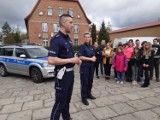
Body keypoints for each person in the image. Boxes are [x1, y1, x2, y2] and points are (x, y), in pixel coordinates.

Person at [48, 14, 81, 120]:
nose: (73, 25)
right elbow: (51, 60)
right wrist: (71, 60)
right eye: (71, 22)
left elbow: (68, 56)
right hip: (62, 75)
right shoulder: (56, 39)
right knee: (60, 103)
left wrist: (75, 60)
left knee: (67, 100)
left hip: (70, 74)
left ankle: (67, 118)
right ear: (63, 23)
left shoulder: (69, 39)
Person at [78, 32, 96, 106]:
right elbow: (80, 57)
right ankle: (84, 98)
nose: (87, 38)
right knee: (84, 82)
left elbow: (93, 55)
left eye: (88, 37)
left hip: (91, 67)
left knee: (90, 81)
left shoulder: (91, 47)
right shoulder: (82, 46)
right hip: (85, 67)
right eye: (86, 37)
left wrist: (94, 58)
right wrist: (90, 59)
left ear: (90, 38)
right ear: (84, 38)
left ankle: (89, 94)